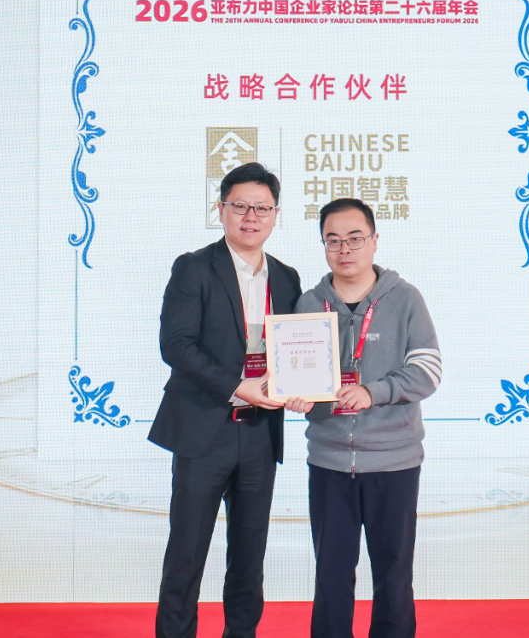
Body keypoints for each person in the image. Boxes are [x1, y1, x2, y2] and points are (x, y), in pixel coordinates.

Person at [149, 162, 302, 638]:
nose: (251, 217)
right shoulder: (194, 267)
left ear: (275, 215)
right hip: (204, 431)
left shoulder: (287, 278)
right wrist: (238, 385)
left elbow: (296, 349)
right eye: (241, 206)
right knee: (187, 553)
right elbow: (176, 345)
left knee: (249, 556)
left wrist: (304, 387)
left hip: (260, 433)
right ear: (221, 210)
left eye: (262, 208)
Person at [285, 198, 441, 638]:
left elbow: (428, 371)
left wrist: (373, 392)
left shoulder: (405, 299)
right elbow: (298, 375)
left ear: (374, 241)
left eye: (355, 238)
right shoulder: (309, 303)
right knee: (331, 575)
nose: (344, 249)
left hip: (395, 461)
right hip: (330, 462)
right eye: (333, 240)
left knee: (394, 573)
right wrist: (296, 397)